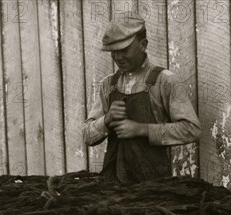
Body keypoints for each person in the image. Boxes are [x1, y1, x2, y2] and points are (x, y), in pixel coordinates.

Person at [83, 14, 201, 183]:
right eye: (113, 52)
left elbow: (192, 129)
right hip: (112, 184)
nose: (118, 57)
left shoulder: (165, 81)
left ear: (143, 45)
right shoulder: (108, 85)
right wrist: (106, 120)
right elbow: (87, 136)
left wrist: (143, 129)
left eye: (124, 50)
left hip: (152, 187)